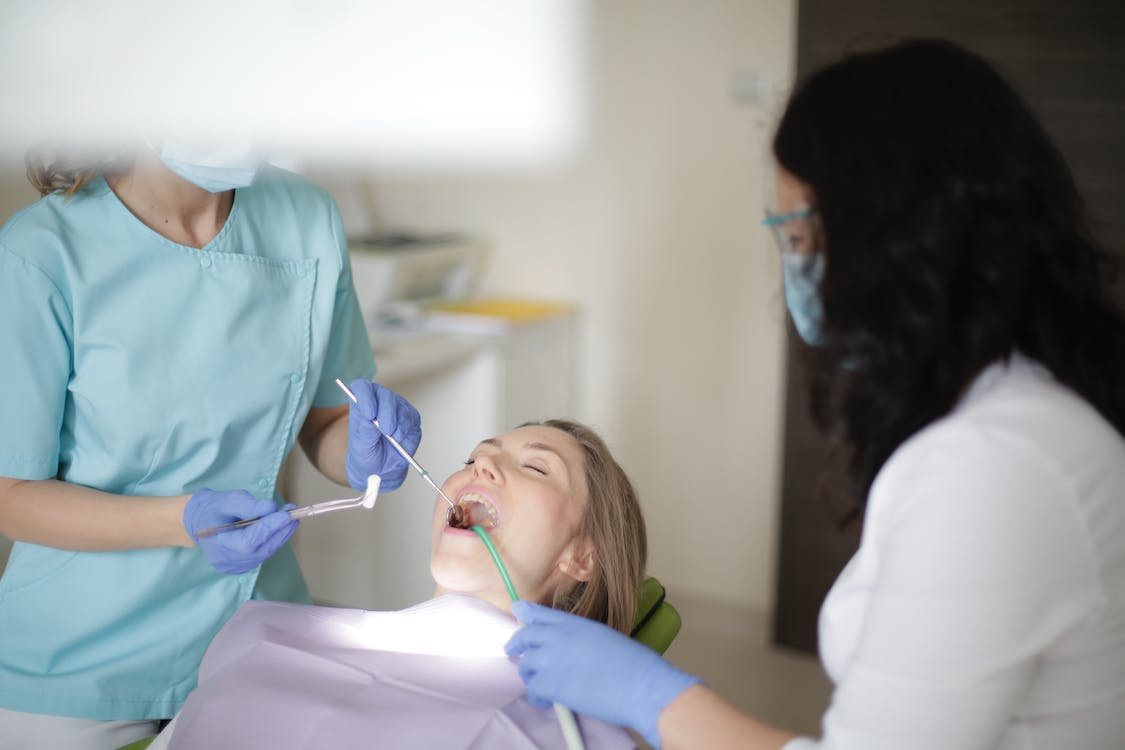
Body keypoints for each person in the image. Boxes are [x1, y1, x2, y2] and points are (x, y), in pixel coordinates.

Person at [503, 38, 1125, 749]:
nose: (792, 269)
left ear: (894, 239)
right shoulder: (993, 423)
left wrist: (649, 696)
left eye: (799, 238)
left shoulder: (992, 466)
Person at [0, 141, 423, 749]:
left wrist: (361, 451)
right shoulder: (40, 251)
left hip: (256, 630)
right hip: (78, 656)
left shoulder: (307, 216)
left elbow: (325, 423)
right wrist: (183, 520)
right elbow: (12, 493)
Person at [144, 419, 647, 749]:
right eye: (473, 458)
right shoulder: (270, 637)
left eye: (535, 466)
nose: (482, 465)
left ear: (583, 556)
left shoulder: (556, 727)